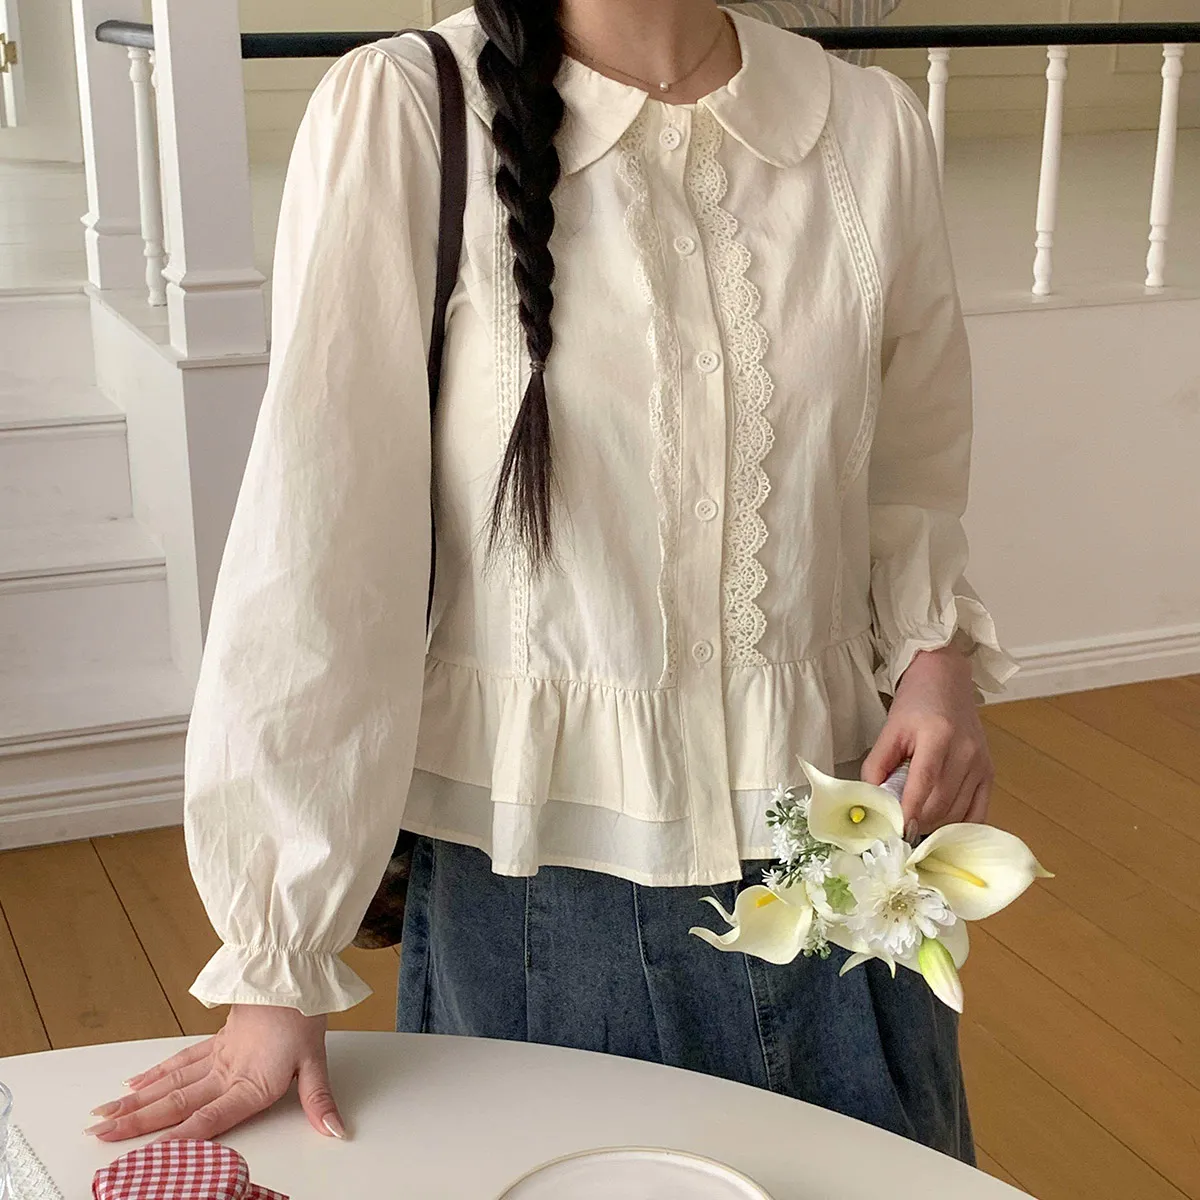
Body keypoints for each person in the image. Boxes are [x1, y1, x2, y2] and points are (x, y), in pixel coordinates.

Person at [87, 0, 1017, 1160]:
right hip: (543, 898)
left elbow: (908, 474)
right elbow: (323, 547)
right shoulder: (408, 111)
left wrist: (936, 662)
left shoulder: (871, 128)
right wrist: (279, 963)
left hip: (840, 867)